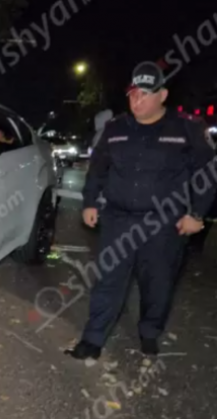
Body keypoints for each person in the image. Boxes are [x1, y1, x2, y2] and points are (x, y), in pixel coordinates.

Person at [67, 62, 216, 360]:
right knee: (108, 281)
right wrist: (90, 201)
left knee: (157, 284)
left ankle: (149, 331)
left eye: (146, 94)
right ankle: (93, 339)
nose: (137, 101)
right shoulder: (116, 128)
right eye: (133, 94)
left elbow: (208, 172)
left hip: (164, 223)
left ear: (163, 95)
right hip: (118, 219)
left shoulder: (186, 128)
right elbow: (98, 169)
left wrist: (197, 215)